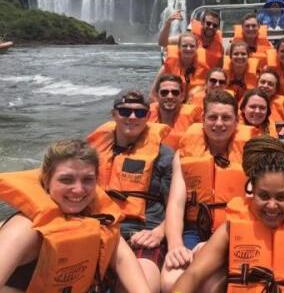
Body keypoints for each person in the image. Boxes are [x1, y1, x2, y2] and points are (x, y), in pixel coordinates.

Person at [171, 135, 284, 293]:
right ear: (252, 193)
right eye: (263, 196)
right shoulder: (232, 226)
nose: (272, 205)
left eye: (281, 197)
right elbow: (193, 274)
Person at [0, 139, 151, 292]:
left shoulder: (100, 219)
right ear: (46, 181)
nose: (78, 190)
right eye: (66, 180)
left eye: (87, 179)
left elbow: (121, 259)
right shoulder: (24, 230)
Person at [161, 90, 254, 292]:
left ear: (237, 121)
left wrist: (214, 244)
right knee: (171, 282)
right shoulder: (183, 154)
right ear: (203, 119)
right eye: (212, 117)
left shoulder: (252, 154)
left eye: (226, 118)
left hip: (232, 231)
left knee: (211, 287)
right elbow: (176, 203)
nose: (218, 123)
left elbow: (253, 205)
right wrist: (175, 245)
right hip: (193, 230)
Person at [87, 89, 175, 293]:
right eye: (125, 111)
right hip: (99, 228)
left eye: (140, 112)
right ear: (114, 114)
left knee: (143, 286)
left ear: (148, 116)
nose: (132, 117)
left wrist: (159, 232)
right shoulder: (90, 153)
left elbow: (176, 206)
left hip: (142, 233)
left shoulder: (164, 155)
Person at [148, 74, 202, 149]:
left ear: (182, 96)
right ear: (156, 96)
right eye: (164, 92)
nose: (170, 96)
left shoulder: (194, 117)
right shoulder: (144, 115)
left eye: (175, 92)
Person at [158, 9, 223, 68]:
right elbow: (162, 42)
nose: (211, 27)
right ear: (202, 23)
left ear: (218, 28)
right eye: (208, 23)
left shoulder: (219, 46)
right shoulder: (190, 38)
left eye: (215, 25)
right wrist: (168, 23)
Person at [154, 32, 209, 98]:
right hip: (171, 103)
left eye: (192, 46)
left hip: (193, 104)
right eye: (184, 46)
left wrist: (199, 89)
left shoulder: (204, 68)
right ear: (179, 48)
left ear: (196, 48)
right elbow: (153, 92)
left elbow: (209, 88)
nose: (188, 49)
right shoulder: (166, 67)